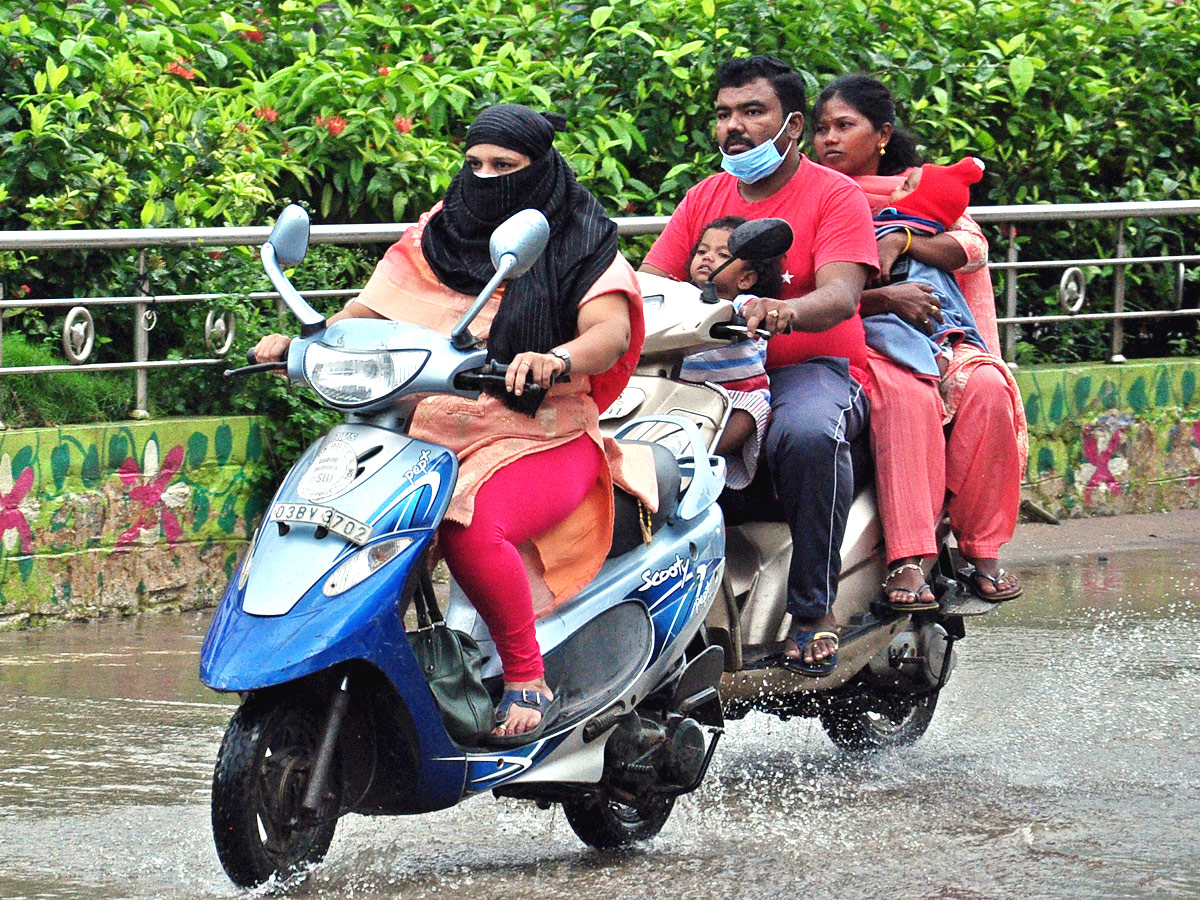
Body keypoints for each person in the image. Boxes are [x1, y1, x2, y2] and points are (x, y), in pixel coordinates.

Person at [253, 104, 656, 743]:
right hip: (432, 424)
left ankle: (529, 679)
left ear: (540, 170)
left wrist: (553, 359)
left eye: (505, 166)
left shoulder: (578, 233)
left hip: (542, 430)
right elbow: (370, 310)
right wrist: (306, 344)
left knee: (469, 525)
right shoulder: (440, 231)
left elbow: (608, 334)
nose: (486, 177)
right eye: (475, 164)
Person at [641, 56, 880, 676]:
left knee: (804, 435)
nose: (734, 127)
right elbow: (652, 279)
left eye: (753, 111)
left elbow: (841, 294)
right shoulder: (705, 196)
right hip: (706, 372)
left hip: (810, 368)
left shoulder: (836, 194)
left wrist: (785, 311)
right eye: (724, 114)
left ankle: (812, 611)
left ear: (792, 124)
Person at [812, 74, 1026, 606]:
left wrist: (901, 235)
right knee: (905, 398)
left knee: (987, 388)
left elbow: (968, 247)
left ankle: (983, 549)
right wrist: (887, 298)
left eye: (844, 126)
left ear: (881, 134)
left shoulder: (919, 188)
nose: (829, 139)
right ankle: (910, 556)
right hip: (859, 334)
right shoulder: (810, 191)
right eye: (820, 129)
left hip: (939, 332)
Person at [863, 157, 991, 382]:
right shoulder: (919, 225)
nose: (895, 188)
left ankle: (931, 359)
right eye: (821, 130)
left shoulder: (903, 224)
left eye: (905, 187)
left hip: (921, 309)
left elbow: (975, 249)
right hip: (922, 311)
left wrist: (902, 239)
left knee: (877, 327)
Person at [679, 215, 781, 489]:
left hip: (737, 393)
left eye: (722, 254)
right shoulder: (681, 297)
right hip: (687, 391)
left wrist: (753, 315)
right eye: (702, 251)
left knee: (755, 408)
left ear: (746, 278)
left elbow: (754, 310)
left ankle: (699, 455)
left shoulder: (743, 303)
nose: (707, 258)